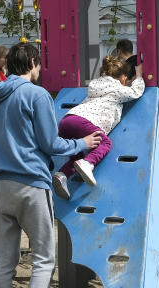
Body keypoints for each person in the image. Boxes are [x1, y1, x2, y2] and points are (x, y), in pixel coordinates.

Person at [0, 43, 101, 288]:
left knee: (5, 262)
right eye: (39, 64)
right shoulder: (36, 95)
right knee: (43, 258)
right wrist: (82, 145)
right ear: (33, 63)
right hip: (31, 184)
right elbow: (51, 143)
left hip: (2, 184)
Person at [52, 54, 144, 198]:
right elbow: (136, 92)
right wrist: (138, 75)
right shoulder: (117, 89)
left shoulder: (96, 87)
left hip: (67, 121)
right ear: (122, 78)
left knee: (76, 157)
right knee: (105, 143)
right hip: (85, 123)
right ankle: (88, 164)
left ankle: (61, 174)